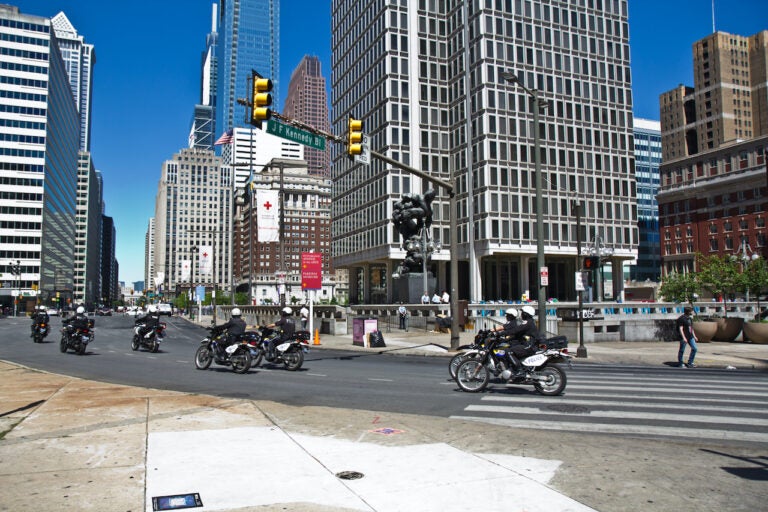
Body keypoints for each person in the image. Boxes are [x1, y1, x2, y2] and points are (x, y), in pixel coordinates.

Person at [497, 306, 542, 377]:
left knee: (508, 351)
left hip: (529, 346)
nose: (521, 315)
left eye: (522, 313)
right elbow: (517, 334)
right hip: (529, 345)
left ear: (526, 314)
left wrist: (500, 333)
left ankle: (519, 370)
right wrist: (505, 340)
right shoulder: (529, 322)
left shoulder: (527, 323)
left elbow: (515, 330)